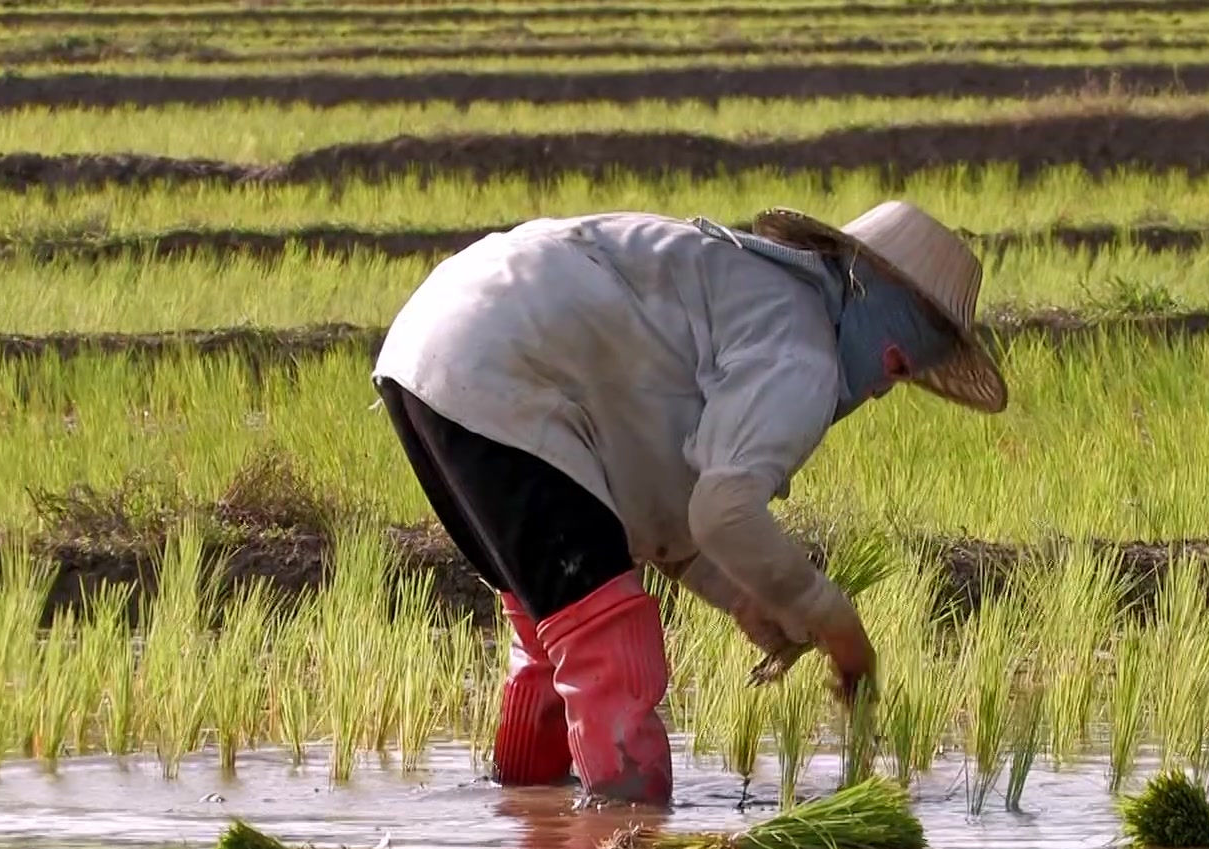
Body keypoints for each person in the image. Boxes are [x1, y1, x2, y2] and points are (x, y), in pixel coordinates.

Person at [370, 201, 1008, 807]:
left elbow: (662, 498)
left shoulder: (747, 292)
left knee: (552, 632)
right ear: (887, 336)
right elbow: (725, 510)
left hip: (429, 346)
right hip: (500, 365)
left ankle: (532, 836)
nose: (883, 388)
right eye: (898, 367)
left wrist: (743, 595)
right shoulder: (803, 345)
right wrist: (830, 616)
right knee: (610, 650)